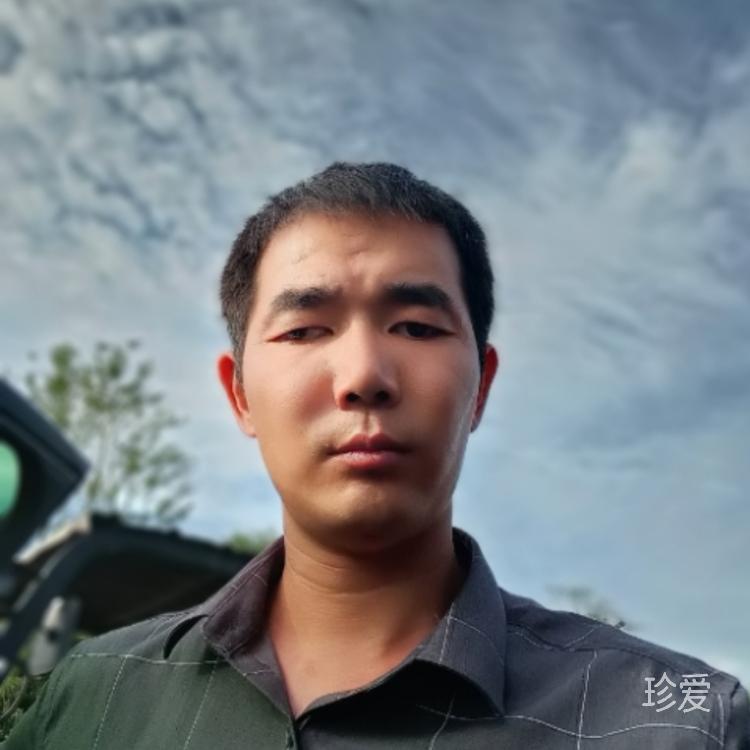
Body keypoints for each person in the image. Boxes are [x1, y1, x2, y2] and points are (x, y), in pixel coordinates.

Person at [3, 163, 748, 748]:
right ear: (240, 396)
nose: (363, 376)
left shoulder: (681, 726)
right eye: (304, 330)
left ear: (482, 387)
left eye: (417, 327)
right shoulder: (91, 694)